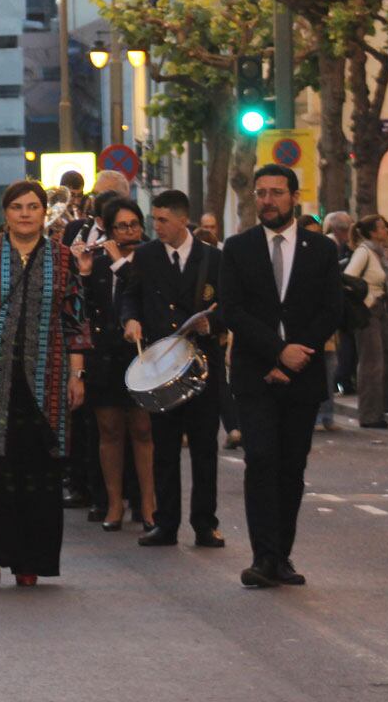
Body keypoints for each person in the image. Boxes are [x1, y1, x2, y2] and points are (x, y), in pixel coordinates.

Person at [0, 180, 89, 587]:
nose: (25, 214)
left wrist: (77, 374)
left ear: (45, 213)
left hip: (48, 380)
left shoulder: (62, 259)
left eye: (33, 207)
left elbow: (76, 320)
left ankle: (32, 560)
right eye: (17, 207)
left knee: (40, 473)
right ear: (5, 213)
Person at [217, 164, 343, 589]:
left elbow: (332, 309)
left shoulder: (321, 250)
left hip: (303, 376)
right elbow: (232, 309)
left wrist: (299, 353)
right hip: (256, 374)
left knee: (291, 466)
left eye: (276, 192)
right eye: (261, 193)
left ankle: (282, 555)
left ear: (294, 196)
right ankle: (263, 557)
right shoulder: (238, 248)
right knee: (261, 460)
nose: (267, 200)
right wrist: (276, 351)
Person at [119, 188, 225, 549]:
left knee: (204, 449)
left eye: (163, 220)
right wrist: (130, 319)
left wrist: (213, 324)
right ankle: (165, 524)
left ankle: (205, 523)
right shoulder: (146, 256)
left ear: (183, 220)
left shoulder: (212, 259)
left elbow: (229, 306)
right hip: (162, 365)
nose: (156, 226)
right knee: (164, 448)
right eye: (155, 219)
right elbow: (130, 295)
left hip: (202, 367)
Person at [82, 197, 155, 532]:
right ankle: (114, 503)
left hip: (140, 355)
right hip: (104, 357)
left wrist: (120, 264)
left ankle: (149, 504)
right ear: (109, 231)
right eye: (121, 227)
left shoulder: (149, 259)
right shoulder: (97, 263)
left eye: (134, 225)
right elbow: (82, 309)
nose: (129, 232)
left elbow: (146, 296)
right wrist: (83, 271)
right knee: (109, 430)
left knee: (142, 430)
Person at [345, 215, 388, 429]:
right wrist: (368, 300)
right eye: (382, 228)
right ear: (372, 232)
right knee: (372, 362)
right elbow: (349, 278)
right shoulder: (364, 252)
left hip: (384, 309)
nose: (386, 232)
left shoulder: (381, 253)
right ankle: (370, 414)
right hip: (369, 310)